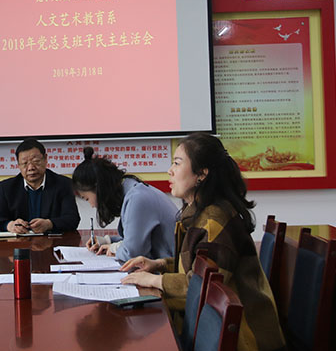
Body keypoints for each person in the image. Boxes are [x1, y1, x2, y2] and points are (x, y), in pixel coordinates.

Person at [121, 133, 285, 351]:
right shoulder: (199, 213)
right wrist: (159, 264)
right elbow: (197, 268)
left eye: (177, 163)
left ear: (201, 174)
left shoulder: (214, 219)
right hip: (221, 330)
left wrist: (154, 280)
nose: (170, 171)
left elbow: (202, 287)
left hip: (245, 337)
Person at [72, 147, 176, 262]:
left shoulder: (137, 198)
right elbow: (134, 239)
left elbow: (133, 254)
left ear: (98, 189)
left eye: (87, 198)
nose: (91, 205)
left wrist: (113, 248)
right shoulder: (132, 189)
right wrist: (108, 241)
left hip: (171, 267)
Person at [0, 139, 80, 234]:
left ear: (45, 159)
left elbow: (72, 219)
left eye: (36, 161)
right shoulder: (7, 187)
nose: (31, 168)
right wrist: (10, 225)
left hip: (52, 241)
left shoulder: (63, 184)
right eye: (25, 163)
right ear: (18, 165)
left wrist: (49, 224)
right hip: (19, 242)